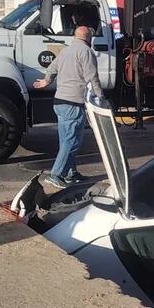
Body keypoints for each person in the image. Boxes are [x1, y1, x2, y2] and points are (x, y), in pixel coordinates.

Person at [33, 26, 104, 188]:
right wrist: (100, 98)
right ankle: (56, 174)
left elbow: (52, 68)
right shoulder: (86, 52)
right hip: (73, 102)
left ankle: (71, 173)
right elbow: (92, 77)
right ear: (88, 38)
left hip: (59, 102)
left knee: (65, 140)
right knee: (72, 142)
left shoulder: (66, 51)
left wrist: (46, 81)